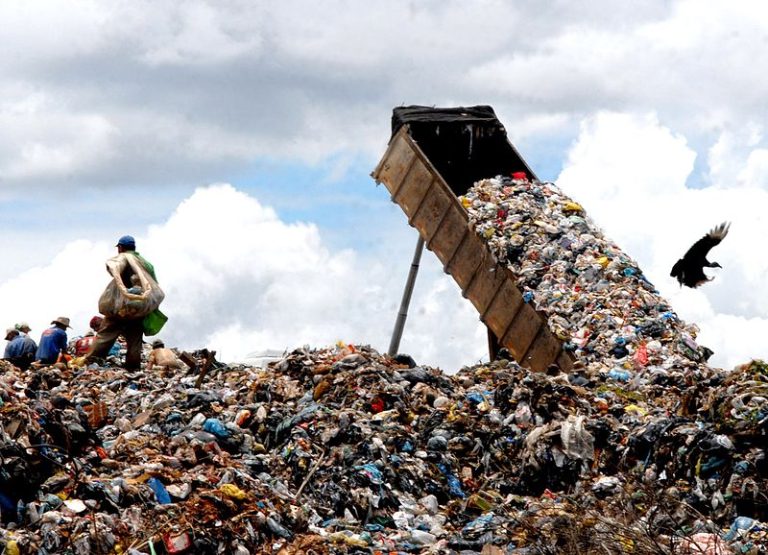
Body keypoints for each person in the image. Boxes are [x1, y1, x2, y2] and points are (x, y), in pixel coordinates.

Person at [83, 235, 162, 370]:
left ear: (120, 248)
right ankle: (133, 368)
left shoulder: (125, 257)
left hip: (122, 308)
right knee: (134, 338)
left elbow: (115, 266)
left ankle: (92, 362)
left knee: (106, 334)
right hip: (138, 308)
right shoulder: (146, 263)